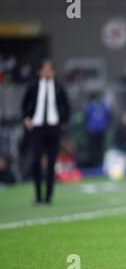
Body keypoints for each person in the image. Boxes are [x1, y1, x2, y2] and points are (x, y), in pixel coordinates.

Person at [21, 60, 70, 205]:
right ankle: (37, 195)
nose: (48, 72)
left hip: (53, 127)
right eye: (45, 69)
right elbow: (24, 105)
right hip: (37, 127)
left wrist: (63, 122)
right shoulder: (33, 86)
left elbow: (66, 106)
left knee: (51, 162)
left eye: (50, 69)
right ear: (40, 71)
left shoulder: (58, 87)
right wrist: (26, 120)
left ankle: (49, 196)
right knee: (36, 161)